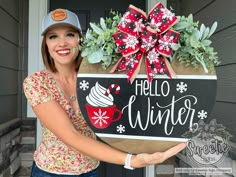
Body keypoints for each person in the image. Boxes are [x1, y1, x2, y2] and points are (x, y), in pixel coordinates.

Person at [23, 8, 187, 177]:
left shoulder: (96, 77)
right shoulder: (37, 83)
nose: (62, 43)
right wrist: (132, 160)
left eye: (70, 34)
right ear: (46, 44)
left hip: (91, 169)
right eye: (53, 36)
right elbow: (70, 137)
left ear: (80, 39)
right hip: (50, 172)